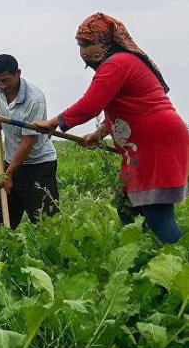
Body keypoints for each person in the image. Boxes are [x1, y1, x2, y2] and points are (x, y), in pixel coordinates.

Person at [35, 13, 188, 243]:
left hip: (157, 142)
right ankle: (145, 257)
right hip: (142, 145)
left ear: (106, 41)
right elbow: (121, 108)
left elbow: (91, 105)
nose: (82, 51)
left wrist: (53, 122)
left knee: (157, 213)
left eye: (87, 44)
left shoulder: (117, 63)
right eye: (79, 44)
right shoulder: (118, 63)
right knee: (126, 207)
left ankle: (179, 263)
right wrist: (99, 134)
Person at [0, 54, 59, 229]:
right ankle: (1, 252)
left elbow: (28, 143)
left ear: (18, 73)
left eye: (5, 81)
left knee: (47, 224)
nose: (2, 86)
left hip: (38, 165)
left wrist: (8, 175)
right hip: (11, 161)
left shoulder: (34, 100)